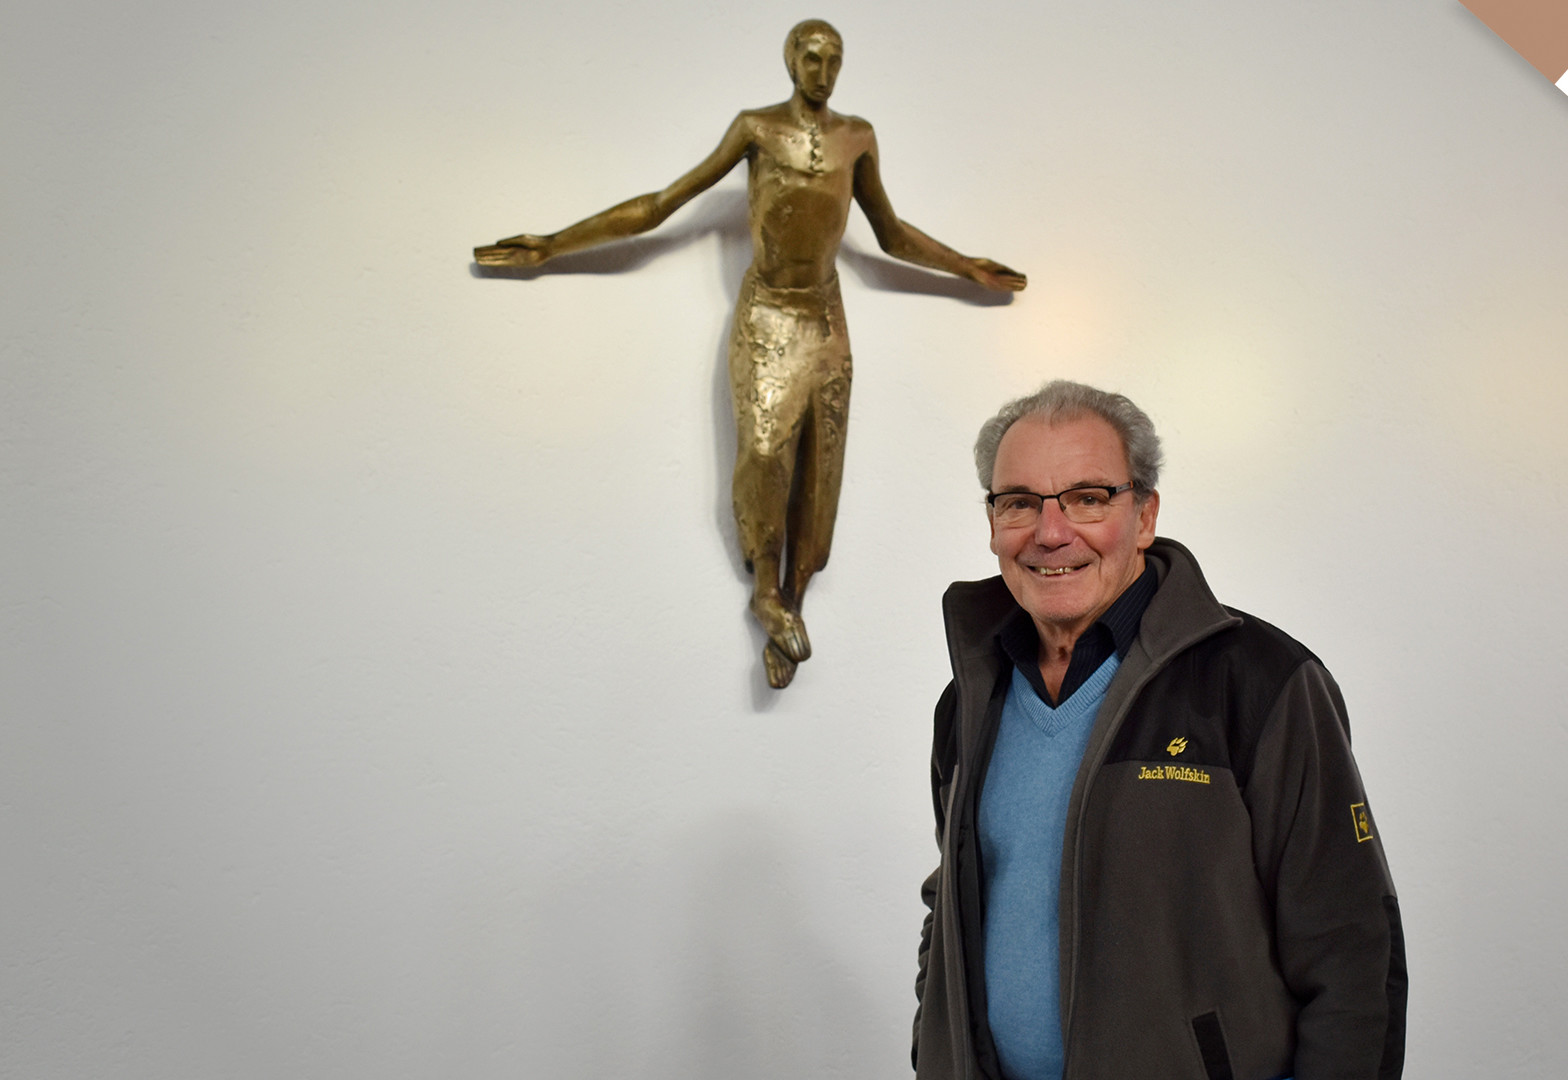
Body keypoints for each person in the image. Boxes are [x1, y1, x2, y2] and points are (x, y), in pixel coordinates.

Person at [475, 20, 1025, 687]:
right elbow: (660, 205)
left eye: (834, 60)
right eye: (812, 57)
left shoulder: (858, 138)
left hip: (824, 318)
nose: (823, 71)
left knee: (819, 479)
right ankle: (766, 593)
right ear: (792, 61)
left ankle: (788, 605)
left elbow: (891, 234)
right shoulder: (756, 129)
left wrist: (969, 267)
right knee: (765, 455)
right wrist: (552, 244)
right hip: (767, 315)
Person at [915, 381, 1406, 1080]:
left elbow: (1353, 949)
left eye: (1088, 498)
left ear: (1143, 516)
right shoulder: (970, 699)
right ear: (993, 522)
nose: (1051, 533)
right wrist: (932, 1051)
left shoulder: (1261, 682)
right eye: (1019, 502)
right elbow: (955, 901)